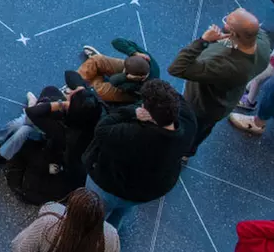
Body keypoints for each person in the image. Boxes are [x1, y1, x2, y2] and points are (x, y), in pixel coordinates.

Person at [82, 78, 196, 228]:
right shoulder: (188, 121)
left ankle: (89, 236)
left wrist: (132, 112)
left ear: (147, 113)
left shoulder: (134, 135)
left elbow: (102, 128)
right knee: (121, 212)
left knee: (91, 215)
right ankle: (111, 232)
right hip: (146, 190)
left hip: (109, 186)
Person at [168, 9, 270, 152]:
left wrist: (203, 41)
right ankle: (189, 149)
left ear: (233, 34)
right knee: (204, 130)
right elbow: (252, 30)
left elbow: (177, 68)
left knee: (191, 128)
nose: (223, 23)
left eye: (226, 22)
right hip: (225, 102)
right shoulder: (263, 45)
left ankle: (182, 151)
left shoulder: (225, 65)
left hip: (202, 105)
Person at [0, 87, 103, 205]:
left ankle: (1, 153)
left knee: (25, 132)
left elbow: (32, 112)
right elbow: (70, 76)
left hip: (57, 168)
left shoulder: (63, 133)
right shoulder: (96, 120)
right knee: (50, 92)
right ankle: (33, 107)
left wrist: (62, 103)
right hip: (78, 168)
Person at [67, 38, 157, 103]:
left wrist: (125, 76)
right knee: (97, 60)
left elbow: (114, 81)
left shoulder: (143, 87)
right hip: (130, 71)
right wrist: (134, 52)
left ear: (139, 77)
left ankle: (80, 88)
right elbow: (116, 42)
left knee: (96, 90)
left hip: (129, 93)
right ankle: (78, 82)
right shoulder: (146, 59)